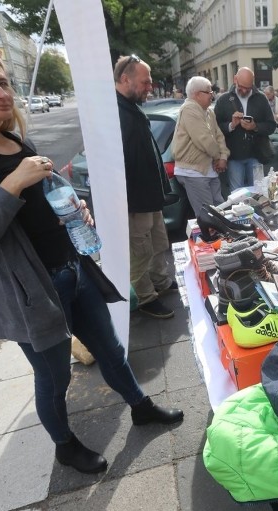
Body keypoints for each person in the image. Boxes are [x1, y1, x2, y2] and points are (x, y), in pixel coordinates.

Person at [0, 40, 183, 475]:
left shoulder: (13, 138)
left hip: (73, 271)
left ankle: (141, 405)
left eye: (2, 81)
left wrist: (72, 209)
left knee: (112, 351)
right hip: (32, 292)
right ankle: (64, 444)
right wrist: (12, 186)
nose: (0, 91)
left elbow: (43, 202)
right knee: (55, 377)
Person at [115, 54, 177, 319]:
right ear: (125, 79)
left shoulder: (131, 105)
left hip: (150, 198)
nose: (150, 87)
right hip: (135, 202)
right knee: (139, 253)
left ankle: (160, 284)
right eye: (145, 82)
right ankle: (144, 298)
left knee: (157, 244)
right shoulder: (114, 113)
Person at [172, 76, 229, 218]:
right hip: (193, 171)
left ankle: (221, 239)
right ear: (197, 94)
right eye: (209, 92)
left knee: (219, 210)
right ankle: (211, 240)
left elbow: (219, 136)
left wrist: (223, 156)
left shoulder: (209, 112)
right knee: (209, 216)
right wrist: (218, 157)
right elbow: (204, 139)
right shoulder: (189, 109)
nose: (212, 95)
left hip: (209, 170)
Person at [214, 67, 276, 191]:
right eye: (241, 86)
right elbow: (215, 129)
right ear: (235, 79)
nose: (244, 90)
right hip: (234, 155)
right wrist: (231, 125)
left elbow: (271, 125)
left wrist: (255, 127)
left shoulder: (261, 98)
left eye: (248, 88)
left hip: (256, 154)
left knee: (259, 192)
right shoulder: (223, 100)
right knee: (237, 195)